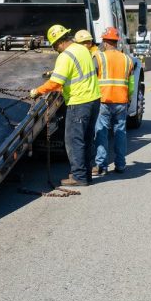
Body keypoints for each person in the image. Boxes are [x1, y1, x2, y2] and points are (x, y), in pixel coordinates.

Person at [30, 24, 101, 186]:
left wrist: (37, 91)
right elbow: (78, 73)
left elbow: (55, 82)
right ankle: (87, 173)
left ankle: (78, 176)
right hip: (94, 99)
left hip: (79, 102)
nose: (56, 49)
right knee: (87, 138)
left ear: (59, 42)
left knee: (73, 140)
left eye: (55, 46)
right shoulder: (82, 49)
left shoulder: (65, 56)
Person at [93, 27, 134, 175]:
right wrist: (128, 98)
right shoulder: (127, 59)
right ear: (117, 42)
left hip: (104, 100)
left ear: (104, 41)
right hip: (121, 101)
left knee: (102, 132)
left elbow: (91, 79)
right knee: (120, 133)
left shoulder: (99, 57)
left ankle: (101, 166)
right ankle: (121, 165)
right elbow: (131, 83)